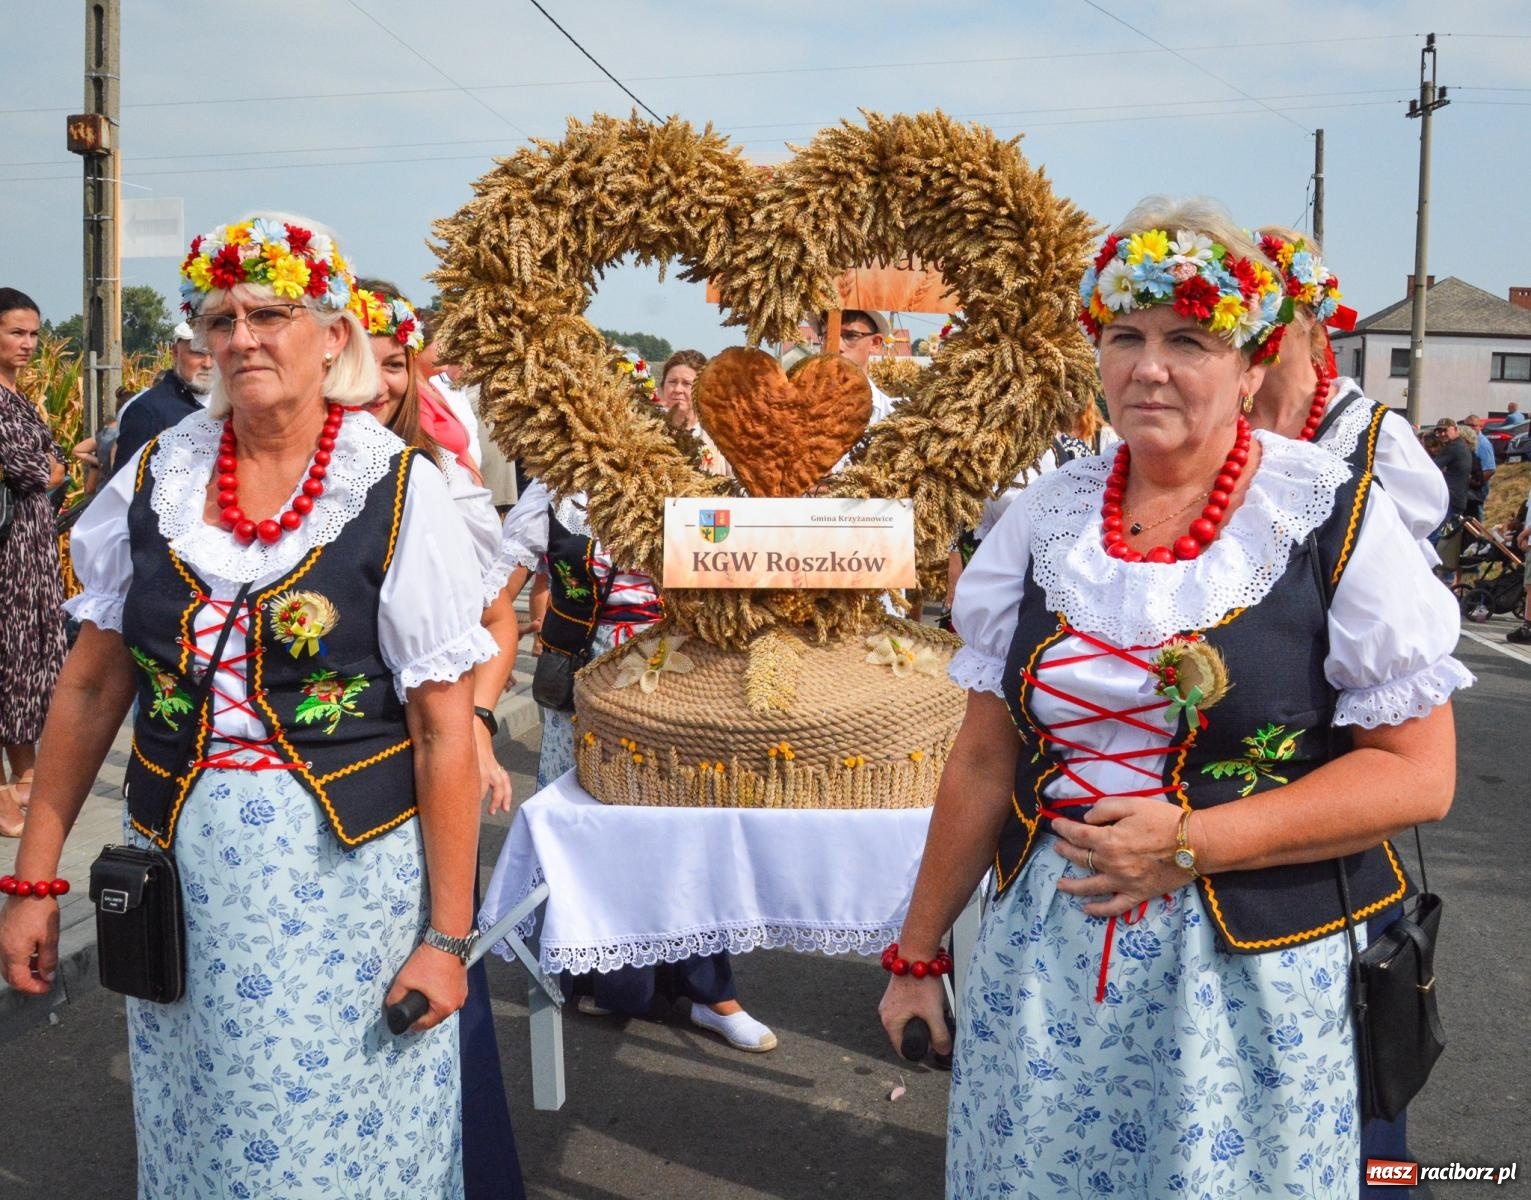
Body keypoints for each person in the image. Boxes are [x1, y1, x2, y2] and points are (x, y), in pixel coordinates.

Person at [880, 198, 1469, 1198]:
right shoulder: (1046, 514)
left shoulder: (1325, 515)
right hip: (1047, 969)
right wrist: (918, 950)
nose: (1148, 366)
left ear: (1250, 364)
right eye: (1126, 337)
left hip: (1251, 978)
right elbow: (985, 755)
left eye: (1188, 339)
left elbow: (1418, 775)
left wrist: (1193, 841)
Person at [0, 215, 500, 1197]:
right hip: (180, 867)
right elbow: (95, 683)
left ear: (332, 334)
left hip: (345, 881)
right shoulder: (157, 475)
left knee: (337, 1144)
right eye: (219, 317)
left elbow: (443, 730)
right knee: (201, 1132)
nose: (242, 338)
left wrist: (446, 940)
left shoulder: (398, 492)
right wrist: (34, 880)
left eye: (269, 313)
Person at [493, 477, 778, 1053]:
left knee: (687, 826)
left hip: (672, 685)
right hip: (580, 691)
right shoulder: (550, 499)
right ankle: (603, 975)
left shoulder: (677, 478)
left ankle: (708, 989)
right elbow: (494, 591)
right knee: (590, 833)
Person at [1251, 228, 1447, 559]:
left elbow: (1404, 547)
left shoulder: (1370, 433)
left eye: (1268, 305)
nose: (1252, 322)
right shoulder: (1218, 422)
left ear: (1309, 313)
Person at [0, 288, 68, 836]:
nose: (27, 344)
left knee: (25, 660)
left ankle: (25, 774)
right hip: (7, 550)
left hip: (31, 549)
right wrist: (48, 467)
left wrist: (50, 467)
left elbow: (53, 466)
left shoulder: (18, 398)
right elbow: (34, 470)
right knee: (7, 659)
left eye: (32, 335)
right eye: (15, 332)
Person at [109, 321, 215, 474]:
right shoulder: (147, 411)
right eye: (198, 352)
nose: (208, 364)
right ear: (175, 353)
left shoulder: (235, 405)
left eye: (215, 353)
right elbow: (127, 485)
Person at [652, 348, 729, 475]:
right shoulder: (646, 429)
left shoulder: (721, 438)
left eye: (687, 383)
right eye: (672, 382)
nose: (678, 389)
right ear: (662, 386)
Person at [820, 309, 897, 425]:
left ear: (875, 343)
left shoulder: (892, 417)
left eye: (850, 336)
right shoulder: (796, 412)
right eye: (828, 336)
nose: (838, 346)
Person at [1428, 417, 1473, 582]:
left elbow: (1431, 467)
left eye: (1445, 430)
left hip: (1451, 501)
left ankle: (1436, 577)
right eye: (1438, 431)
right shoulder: (1460, 447)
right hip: (1457, 499)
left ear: (1455, 429)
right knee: (1446, 539)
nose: (1441, 434)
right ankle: (1445, 577)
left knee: (1437, 538)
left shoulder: (1454, 448)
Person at [1460, 414, 1496, 520]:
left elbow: (1490, 469)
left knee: (1476, 517)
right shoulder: (1467, 441)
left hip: (1478, 489)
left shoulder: (1483, 444)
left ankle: (1478, 536)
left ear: (1480, 426)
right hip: (1469, 486)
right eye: (1467, 425)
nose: (1470, 428)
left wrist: (1476, 482)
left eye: (1473, 425)